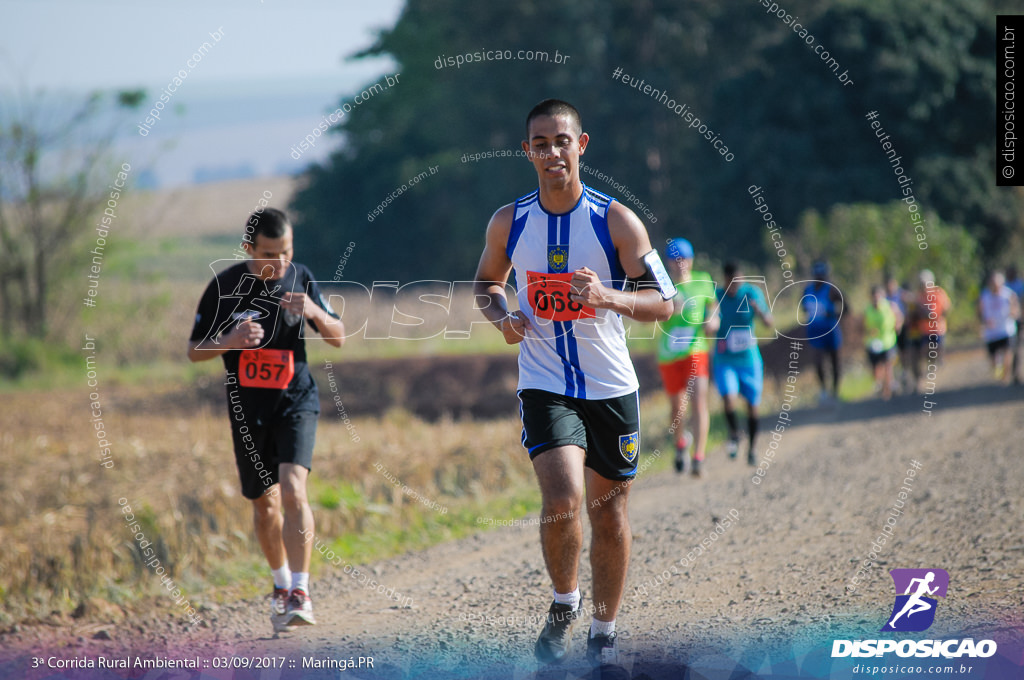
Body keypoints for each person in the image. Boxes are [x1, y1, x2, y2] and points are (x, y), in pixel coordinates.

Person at [473, 99, 674, 667]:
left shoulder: (616, 220)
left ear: (580, 146)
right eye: (541, 143)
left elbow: (665, 302)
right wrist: (503, 316)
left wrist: (607, 295)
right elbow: (486, 282)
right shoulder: (508, 221)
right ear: (527, 152)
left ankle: (604, 631)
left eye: (562, 141)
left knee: (608, 514)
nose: (552, 152)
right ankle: (565, 602)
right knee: (562, 499)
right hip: (544, 380)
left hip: (611, 386)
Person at [187, 208, 345, 631]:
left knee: (294, 490)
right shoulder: (224, 287)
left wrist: (313, 309)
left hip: (297, 400)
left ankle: (301, 590)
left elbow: (339, 336)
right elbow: (194, 350)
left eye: (287, 251)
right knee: (265, 504)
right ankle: (279, 586)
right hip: (247, 410)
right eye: (270, 254)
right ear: (249, 250)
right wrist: (230, 341)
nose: (280, 262)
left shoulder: (301, 276)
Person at [656, 238, 718, 477]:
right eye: (675, 260)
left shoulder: (703, 280)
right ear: (669, 264)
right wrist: (669, 308)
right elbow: (654, 316)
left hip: (696, 350)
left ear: (692, 259)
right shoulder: (664, 285)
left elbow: (713, 308)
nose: (680, 264)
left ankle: (699, 457)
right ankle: (681, 442)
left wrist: (714, 320)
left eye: (684, 259)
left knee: (699, 401)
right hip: (670, 356)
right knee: (677, 409)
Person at [713, 262, 773, 466]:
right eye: (733, 282)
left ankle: (753, 448)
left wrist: (759, 311)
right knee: (728, 398)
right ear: (726, 279)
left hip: (749, 360)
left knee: (752, 407)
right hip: (725, 359)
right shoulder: (717, 296)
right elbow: (708, 321)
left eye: (741, 280)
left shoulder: (752, 293)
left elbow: (769, 322)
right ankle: (734, 433)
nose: (738, 285)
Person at [801, 260, 844, 404]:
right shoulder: (807, 290)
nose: (820, 278)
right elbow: (803, 308)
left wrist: (833, 315)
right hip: (815, 331)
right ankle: (824, 391)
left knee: (834, 361)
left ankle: (835, 391)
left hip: (831, 330)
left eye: (822, 275)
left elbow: (846, 307)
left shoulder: (832, 290)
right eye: (817, 275)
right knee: (818, 361)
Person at [907, 269, 951, 391]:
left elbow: (946, 308)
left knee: (937, 348)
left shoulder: (939, 293)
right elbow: (914, 312)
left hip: (938, 329)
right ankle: (930, 366)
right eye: (921, 284)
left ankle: (939, 361)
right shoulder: (919, 297)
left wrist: (936, 316)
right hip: (924, 330)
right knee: (925, 351)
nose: (923, 286)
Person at [977, 270, 1020, 384]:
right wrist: (983, 324)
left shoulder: (1008, 294)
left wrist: (1013, 313)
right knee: (993, 360)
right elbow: (980, 312)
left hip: (1006, 330)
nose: (994, 286)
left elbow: (1016, 310)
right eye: (992, 283)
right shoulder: (984, 296)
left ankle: (1005, 378)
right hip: (991, 332)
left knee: (1008, 354)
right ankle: (999, 371)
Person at [864, 285, 903, 400]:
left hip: (888, 341)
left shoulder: (890, 306)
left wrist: (897, 326)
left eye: (878, 296)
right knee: (876, 366)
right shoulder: (868, 309)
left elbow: (899, 317)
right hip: (873, 342)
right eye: (874, 296)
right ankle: (879, 385)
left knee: (888, 364)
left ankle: (889, 386)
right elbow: (863, 325)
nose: (876, 299)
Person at [885, 276, 911, 393]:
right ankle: (893, 379)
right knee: (892, 355)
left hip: (903, 328)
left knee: (904, 351)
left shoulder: (901, 294)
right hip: (890, 330)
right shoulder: (885, 298)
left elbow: (911, 303)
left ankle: (905, 371)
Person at [1005, 265, 1024, 383]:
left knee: (1016, 347)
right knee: (1009, 346)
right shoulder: (1004, 286)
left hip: (1018, 320)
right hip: (1006, 322)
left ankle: (1015, 372)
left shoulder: (1020, 285)